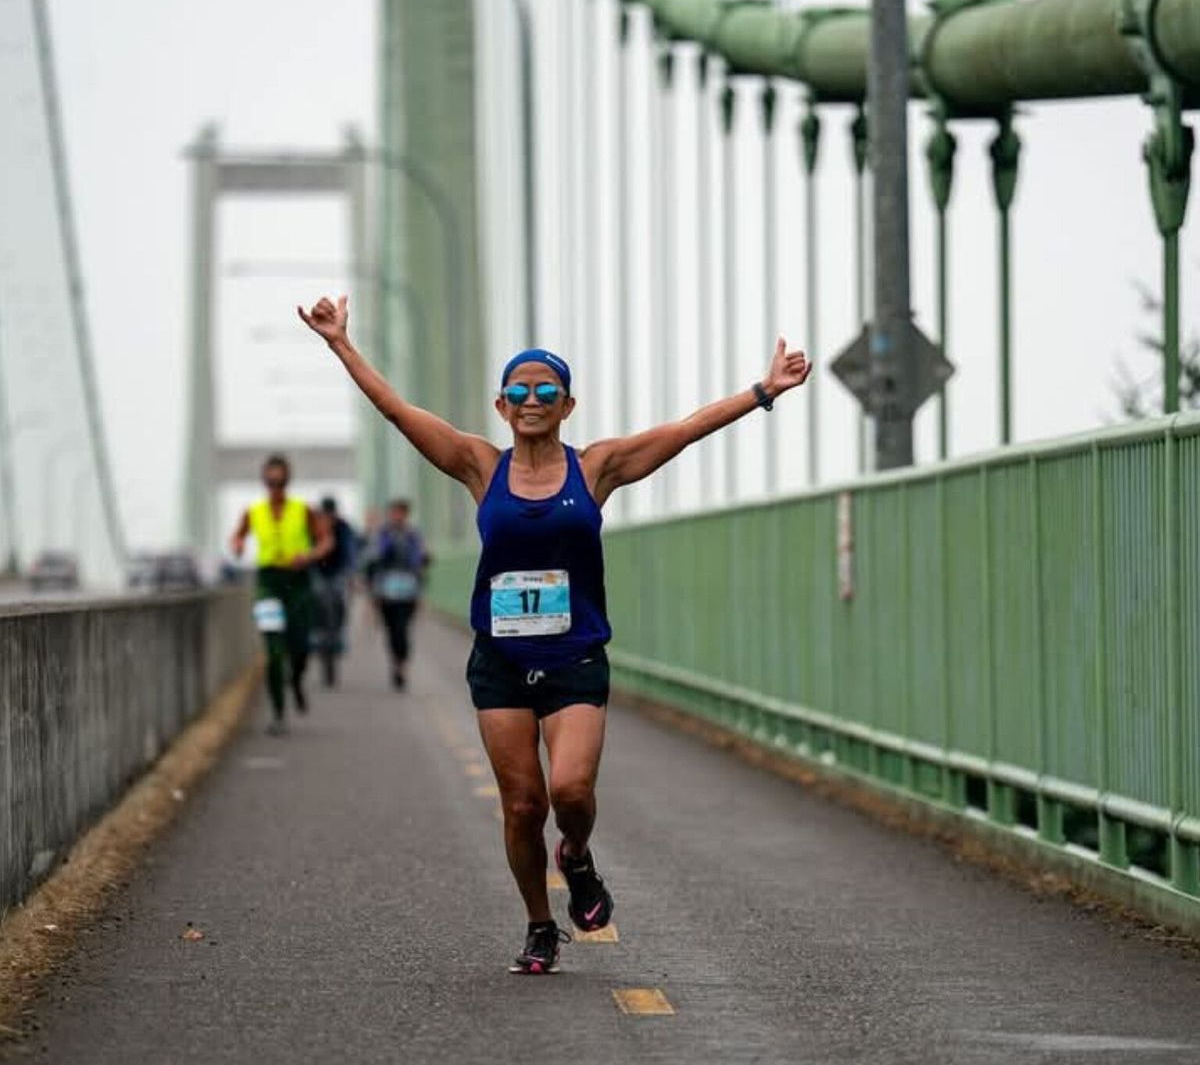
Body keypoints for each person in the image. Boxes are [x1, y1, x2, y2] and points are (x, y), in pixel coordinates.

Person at [298, 293, 810, 974]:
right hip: (501, 662)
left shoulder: (594, 468)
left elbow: (685, 430)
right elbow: (397, 411)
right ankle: (541, 925)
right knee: (521, 804)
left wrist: (763, 391)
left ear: (567, 405)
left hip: (574, 657)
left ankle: (577, 856)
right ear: (501, 406)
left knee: (569, 792)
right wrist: (340, 343)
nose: (531, 398)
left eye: (546, 389)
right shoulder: (481, 466)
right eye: (518, 390)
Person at [229, 454, 332, 735]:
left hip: (298, 582)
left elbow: (326, 541)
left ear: (287, 481)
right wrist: (238, 545)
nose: (275, 486)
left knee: (300, 647)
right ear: (265, 482)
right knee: (273, 650)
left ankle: (296, 680)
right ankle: (278, 713)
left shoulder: (303, 510)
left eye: (280, 481)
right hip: (268, 584)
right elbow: (237, 536)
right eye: (270, 481)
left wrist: (309, 555)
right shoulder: (253, 512)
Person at [363, 498, 429, 690]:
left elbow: (419, 562)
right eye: (394, 512)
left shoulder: (413, 535)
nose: (397, 516)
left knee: (402, 628)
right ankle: (396, 661)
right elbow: (373, 560)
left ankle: (402, 664)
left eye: (400, 513)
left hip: (407, 590)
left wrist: (420, 590)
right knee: (391, 629)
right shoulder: (382, 534)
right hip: (386, 591)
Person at [311, 495, 360, 687]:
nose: (328, 518)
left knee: (340, 603)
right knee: (315, 601)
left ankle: (339, 635)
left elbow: (351, 553)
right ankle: (316, 635)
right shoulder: (313, 527)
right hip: (318, 573)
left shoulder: (344, 528)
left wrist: (352, 574)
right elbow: (306, 547)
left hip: (337, 573)